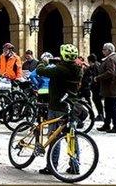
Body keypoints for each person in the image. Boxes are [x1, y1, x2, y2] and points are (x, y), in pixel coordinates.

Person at [35, 44, 82, 175]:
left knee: (53, 137)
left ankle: (51, 166)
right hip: (71, 106)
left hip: (56, 106)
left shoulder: (60, 69)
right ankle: (75, 166)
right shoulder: (78, 68)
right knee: (71, 137)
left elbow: (41, 71)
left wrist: (42, 62)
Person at [95, 42, 116, 133]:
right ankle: (107, 124)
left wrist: (98, 78)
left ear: (109, 50)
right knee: (108, 107)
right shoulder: (113, 58)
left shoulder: (111, 59)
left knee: (112, 108)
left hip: (111, 88)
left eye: (104, 49)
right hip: (110, 88)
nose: (103, 51)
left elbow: (110, 72)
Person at [86, 54, 104, 121]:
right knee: (96, 100)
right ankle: (100, 114)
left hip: (97, 87)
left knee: (97, 101)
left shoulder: (96, 66)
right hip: (96, 87)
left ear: (90, 61)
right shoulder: (97, 65)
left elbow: (97, 77)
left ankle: (101, 115)